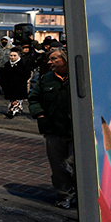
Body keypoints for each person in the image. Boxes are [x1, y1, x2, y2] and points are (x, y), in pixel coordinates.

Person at [28, 47, 77, 209]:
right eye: (49, 59)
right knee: (58, 165)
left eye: (54, 59)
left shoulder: (79, 76)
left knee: (75, 163)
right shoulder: (46, 79)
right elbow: (34, 98)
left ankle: (81, 193)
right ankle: (65, 194)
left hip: (76, 130)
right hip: (53, 130)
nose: (50, 62)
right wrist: (40, 115)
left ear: (66, 58)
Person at [0, 41, 38, 119]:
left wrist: (23, 81)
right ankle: (14, 110)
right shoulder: (7, 64)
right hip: (9, 86)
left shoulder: (23, 64)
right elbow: (4, 75)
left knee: (18, 100)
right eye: (11, 55)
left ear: (19, 56)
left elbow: (27, 74)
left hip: (19, 85)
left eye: (14, 56)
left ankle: (13, 111)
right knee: (12, 99)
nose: (12, 57)